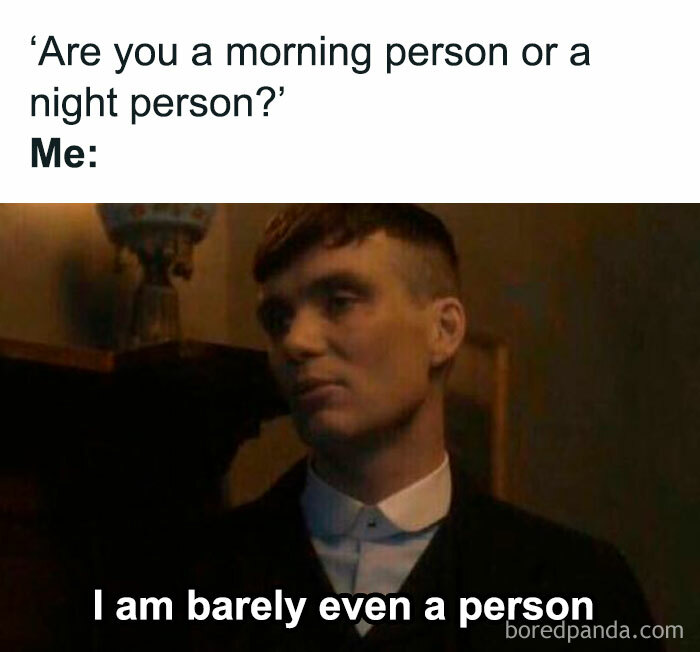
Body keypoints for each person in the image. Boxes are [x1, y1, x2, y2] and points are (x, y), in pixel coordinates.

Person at [193, 204, 661, 651]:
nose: (296, 341)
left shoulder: (581, 586)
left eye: (339, 302)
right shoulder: (194, 580)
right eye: (278, 320)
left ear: (444, 331)